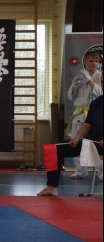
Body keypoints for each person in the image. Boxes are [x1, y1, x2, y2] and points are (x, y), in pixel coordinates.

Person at [38, 72, 103, 196]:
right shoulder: (96, 103)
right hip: (94, 143)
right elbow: (87, 125)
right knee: (54, 149)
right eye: (103, 82)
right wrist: (77, 138)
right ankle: (52, 187)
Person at [65, 51, 102, 180]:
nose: (94, 64)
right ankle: (80, 171)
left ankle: (102, 173)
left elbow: (100, 93)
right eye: (91, 61)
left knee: (98, 142)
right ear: (85, 62)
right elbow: (70, 97)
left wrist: (89, 79)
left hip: (95, 114)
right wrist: (74, 87)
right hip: (79, 113)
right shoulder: (79, 77)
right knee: (75, 141)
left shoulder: (100, 76)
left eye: (96, 61)